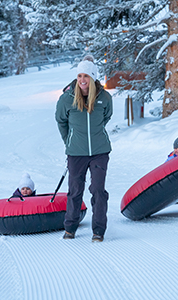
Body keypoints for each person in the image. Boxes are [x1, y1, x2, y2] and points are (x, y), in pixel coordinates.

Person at [55, 55, 113, 242]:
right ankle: (70, 227)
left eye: (86, 76)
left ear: (93, 78)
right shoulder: (67, 98)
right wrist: (70, 141)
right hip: (76, 153)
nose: (82, 80)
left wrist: (95, 135)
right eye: (79, 76)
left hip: (99, 151)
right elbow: (61, 121)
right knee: (75, 190)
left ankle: (98, 230)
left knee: (98, 190)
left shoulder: (104, 98)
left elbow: (106, 117)